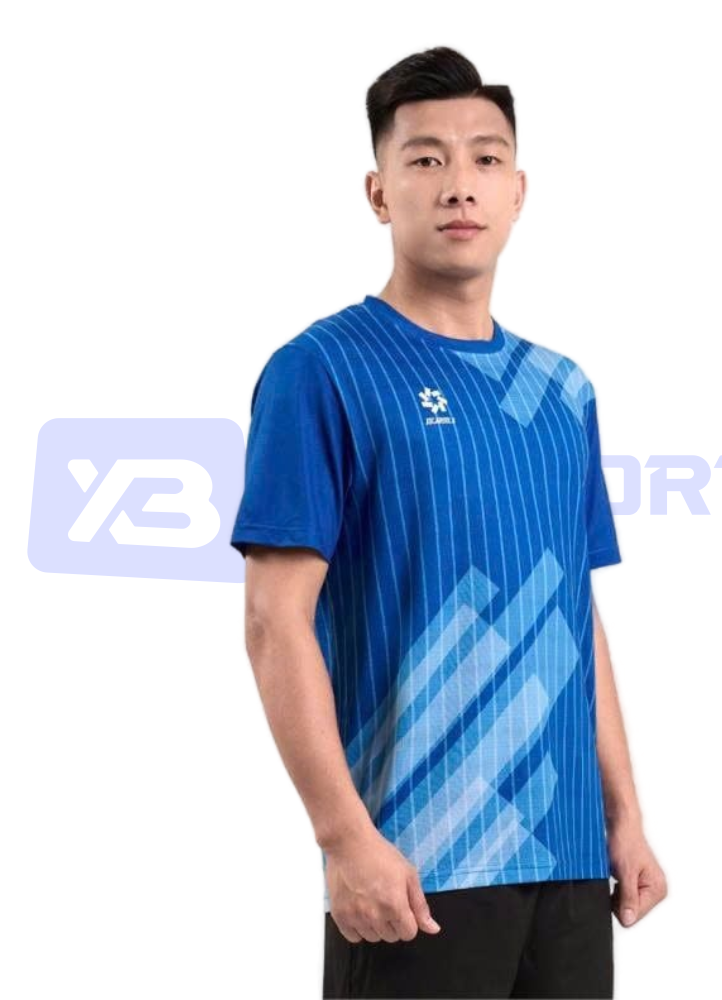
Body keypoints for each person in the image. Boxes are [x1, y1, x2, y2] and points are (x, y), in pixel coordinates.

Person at [230, 45, 666, 999]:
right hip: (414, 863)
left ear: (518, 191)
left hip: (566, 860)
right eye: (425, 158)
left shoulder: (562, 390)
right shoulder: (324, 371)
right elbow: (273, 621)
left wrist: (623, 816)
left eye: (485, 158)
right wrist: (345, 840)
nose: (459, 183)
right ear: (378, 192)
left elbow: (575, 613)